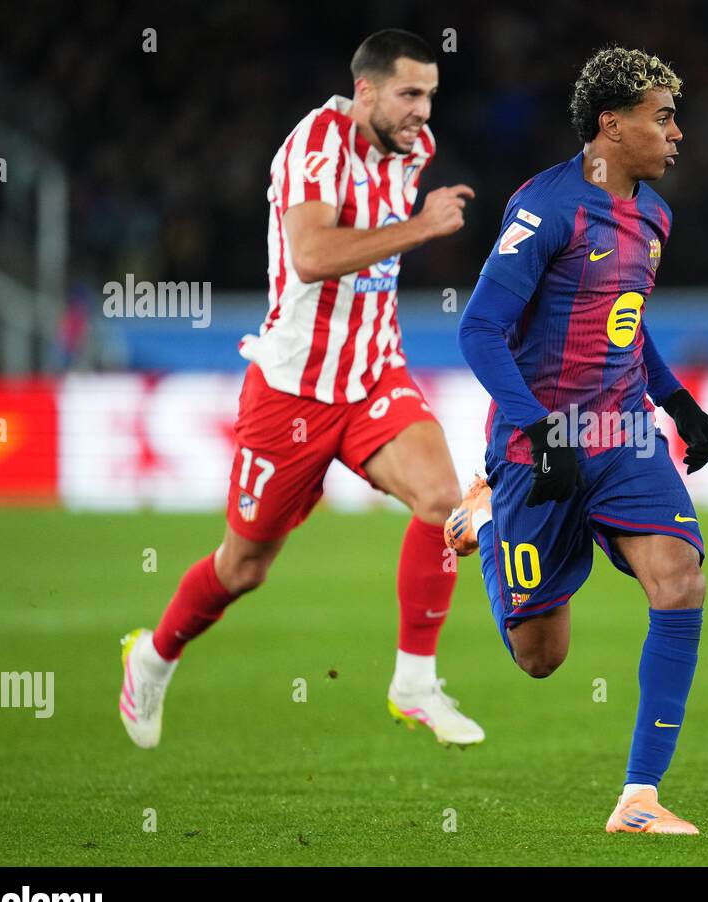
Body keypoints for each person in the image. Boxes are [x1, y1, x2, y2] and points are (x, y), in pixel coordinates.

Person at [119, 29, 485, 751]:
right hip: (291, 393)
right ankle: (154, 656)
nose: (423, 111)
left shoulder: (417, 148)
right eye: (410, 94)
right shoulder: (313, 149)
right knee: (244, 566)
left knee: (444, 502)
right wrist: (420, 228)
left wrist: (413, 224)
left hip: (375, 371)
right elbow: (313, 255)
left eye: (431, 95)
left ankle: (414, 681)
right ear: (368, 91)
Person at [445, 47, 708, 833]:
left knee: (681, 579)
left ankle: (639, 798)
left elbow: (624, 323)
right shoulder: (547, 206)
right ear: (613, 123)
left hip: (624, 433)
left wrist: (677, 404)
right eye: (663, 116)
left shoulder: (657, 217)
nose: (677, 133)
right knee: (541, 656)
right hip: (541, 441)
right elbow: (480, 329)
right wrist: (535, 429)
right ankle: (490, 513)